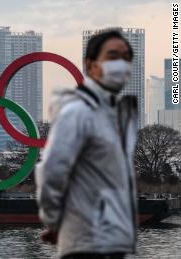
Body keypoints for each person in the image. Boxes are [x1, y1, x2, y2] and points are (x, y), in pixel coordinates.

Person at [35, 30, 138, 259]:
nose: (121, 64)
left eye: (126, 58)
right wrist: (55, 222)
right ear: (90, 65)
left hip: (114, 242)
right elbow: (51, 170)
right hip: (87, 245)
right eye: (112, 57)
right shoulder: (77, 112)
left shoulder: (116, 116)